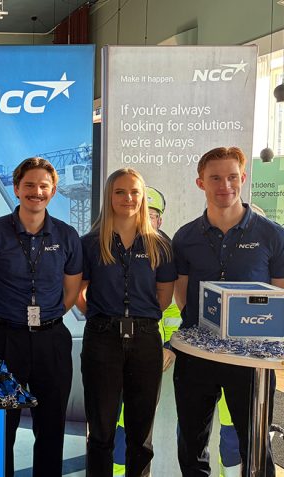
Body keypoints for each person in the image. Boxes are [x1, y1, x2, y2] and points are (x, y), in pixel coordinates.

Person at [173, 146, 284, 476]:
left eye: (232, 177)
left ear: (243, 178)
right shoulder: (185, 237)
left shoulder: (272, 235)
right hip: (197, 356)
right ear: (200, 183)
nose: (225, 185)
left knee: (255, 445)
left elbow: (279, 295)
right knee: (191, 445)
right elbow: (182, 295)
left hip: (252, 361)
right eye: (215, 178)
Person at [0, 157, 82, 477]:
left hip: (52, 341)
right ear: (16, 188)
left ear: (53, 191)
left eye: (44, 186)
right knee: (1, 424)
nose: (36, 192)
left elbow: (72, 290)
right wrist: (3, 320)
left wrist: (47, 320)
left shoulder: (67, 235)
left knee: (52, 425)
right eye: (29, 185)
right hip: (4, 340)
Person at [78, 169, 176, 477]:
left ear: (143, 197)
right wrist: (101, 317)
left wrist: (138, 319)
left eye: (134, 192)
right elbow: (79, 292)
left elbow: (164, 297)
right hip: (101, 341)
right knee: (101, 433)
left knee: (140, 436)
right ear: (109, 196)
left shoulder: (160, 244)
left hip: (145, 342)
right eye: (120, 191)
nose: (128, 198)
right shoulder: (90, 243)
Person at [112, 185, 181, 477]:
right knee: (112, 423)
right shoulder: (109, 245)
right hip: (110, 348)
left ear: (160, 219)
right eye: (142, 213)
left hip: (149, 350)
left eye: (152, 215)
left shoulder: (167, 253)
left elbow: (174, 310)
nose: (145, 220)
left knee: (138, 425)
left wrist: (169, 346)